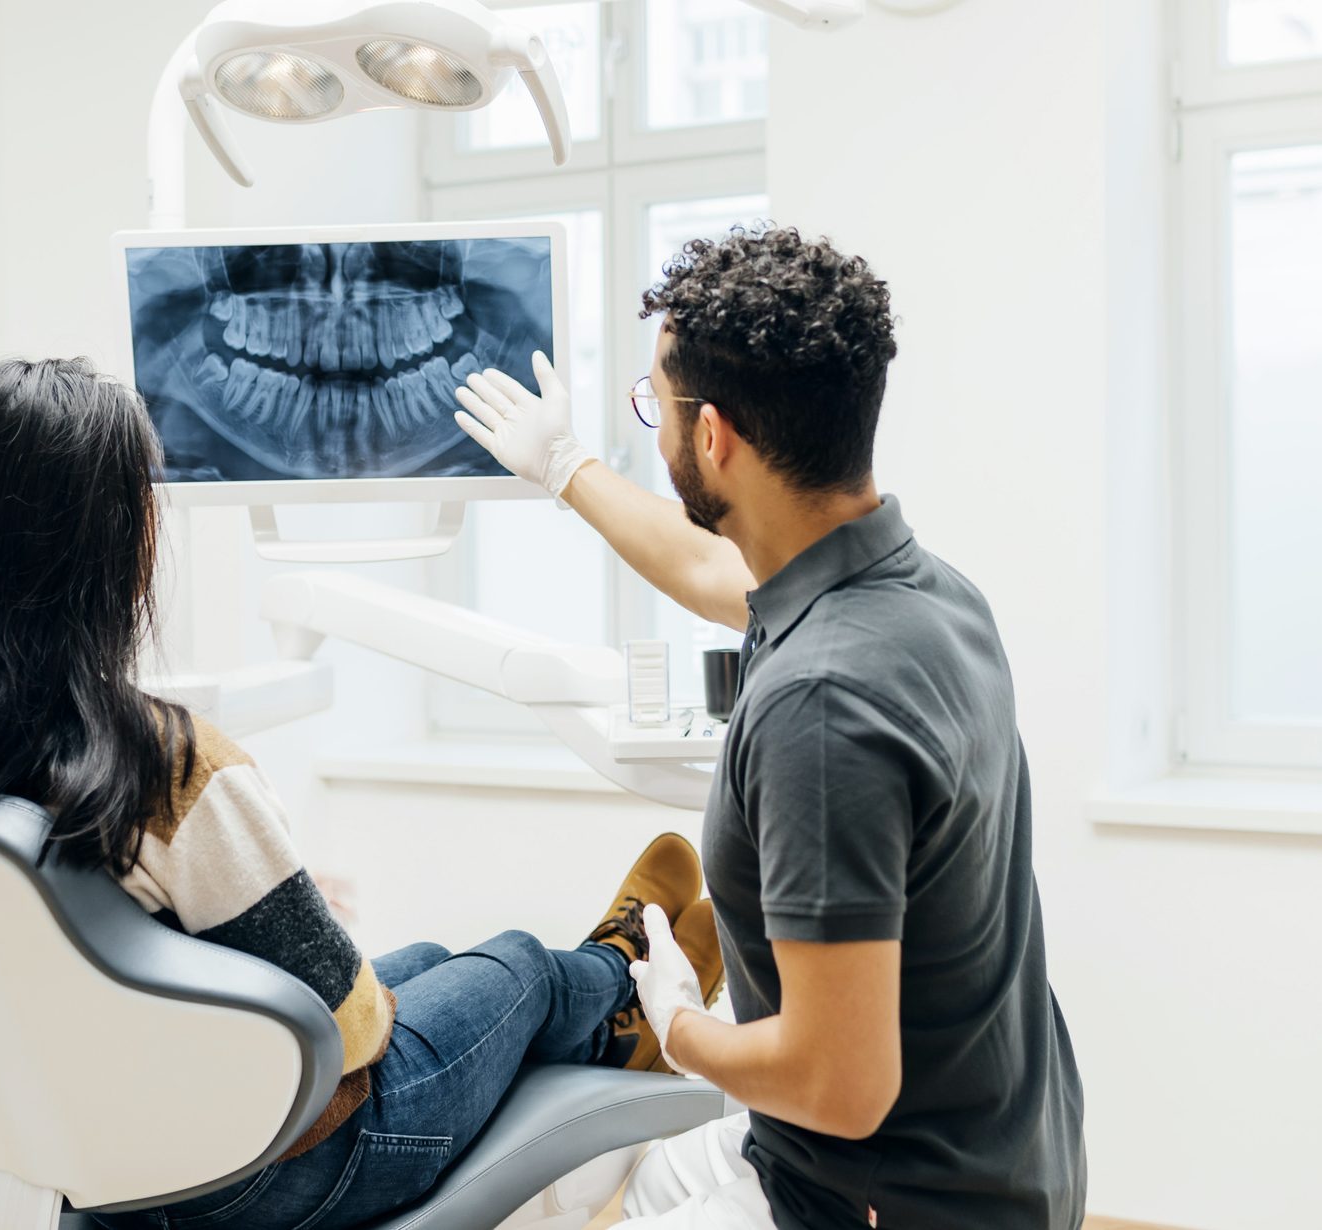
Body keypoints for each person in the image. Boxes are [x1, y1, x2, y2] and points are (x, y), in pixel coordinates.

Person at [0, 356, 727, 1230]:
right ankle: (632, 979)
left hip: (94, 1159)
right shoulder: (161, 767)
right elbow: (351, 1027)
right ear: (110, 546)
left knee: (433, 958)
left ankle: (603, 1010)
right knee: (515, 962)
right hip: (286, 1171)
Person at [453, 226, 1086, 1229]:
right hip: (988, 1150)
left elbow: (842, 1086)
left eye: (653, 407)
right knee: (575, 1185)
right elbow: (709, 568)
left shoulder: (820, 705)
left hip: (885, 1196)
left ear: (712, 438)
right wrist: (563, 466)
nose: (654, 429)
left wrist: (678, 1024)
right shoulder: (921, 592)